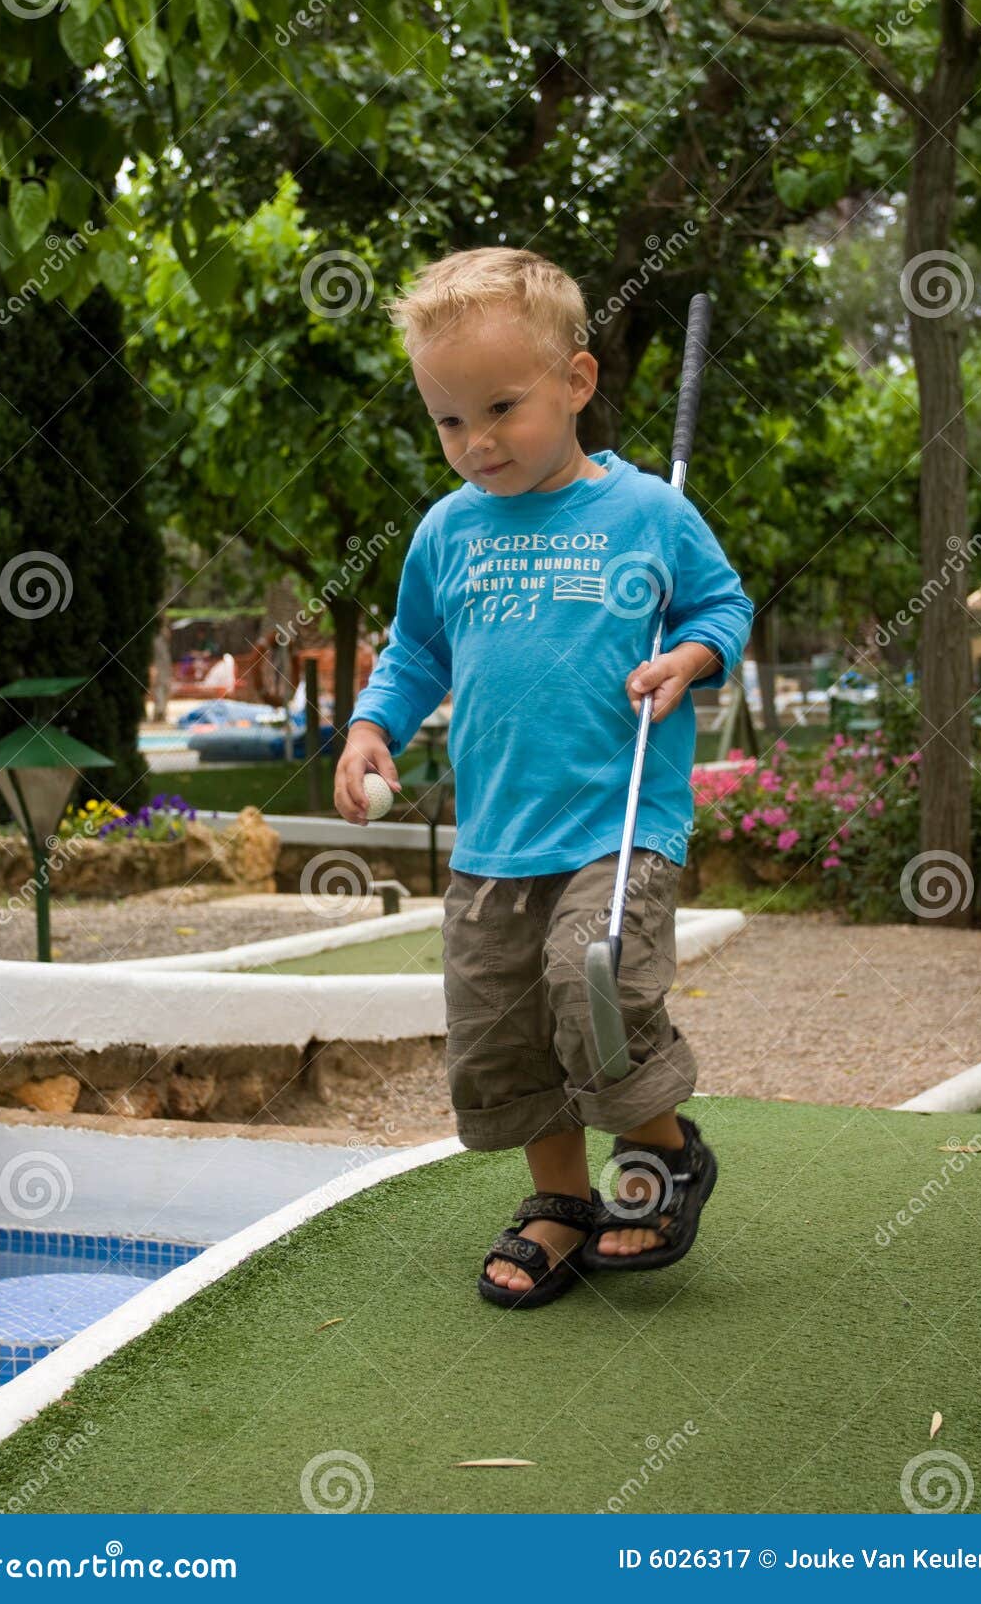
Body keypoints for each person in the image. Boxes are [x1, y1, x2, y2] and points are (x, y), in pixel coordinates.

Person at [334, 247, 754, 1310]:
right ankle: (561, 1201)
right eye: (447, 420)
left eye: (500, 408)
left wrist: (688, 659)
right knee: (500, 1031)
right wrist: (370, 725)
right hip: (493, 838)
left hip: (617, 822)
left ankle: (660, 1155)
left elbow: (721, 609)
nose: (474, 443)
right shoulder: (444, 531)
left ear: (575, 383)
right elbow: (414, 651)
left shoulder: (648, 515)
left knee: (591, 985)